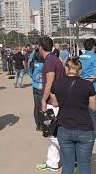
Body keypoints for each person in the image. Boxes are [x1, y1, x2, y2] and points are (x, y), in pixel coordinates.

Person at [49, 57, 96, 174]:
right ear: (79, 70)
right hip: (84, 128)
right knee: (84, 165)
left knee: (67, 164)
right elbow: (94, 107)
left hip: (64, 127)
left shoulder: (56, 83)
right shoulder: (87, 85)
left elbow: (55, 103)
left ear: (66, 68)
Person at [37, 36, 66, 172]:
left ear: (40, 47)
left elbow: (50, 82)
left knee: (52, 134)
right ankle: (52, 162)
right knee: (51, 134)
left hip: (52, 103)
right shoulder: (55, 59)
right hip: (57, 101)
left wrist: (43, 100)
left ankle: (74, 159)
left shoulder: (49, 61)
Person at [79, 38, 96, 143]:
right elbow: (95, 74)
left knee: (83, 111)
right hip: (94, 88)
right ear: (94, 46)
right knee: (93, 112)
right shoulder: (95, 58)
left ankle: (82, 133)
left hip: (81, 87)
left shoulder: (79, 57)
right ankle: (91, 137)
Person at [30, 49, 44, 131]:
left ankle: (37, 124)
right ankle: (42, 124)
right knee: (42, 106)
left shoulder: (33, 64)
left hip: (35, 86)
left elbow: (31, 74)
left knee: (36, 106)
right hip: (41, 86)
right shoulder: (44, 65)